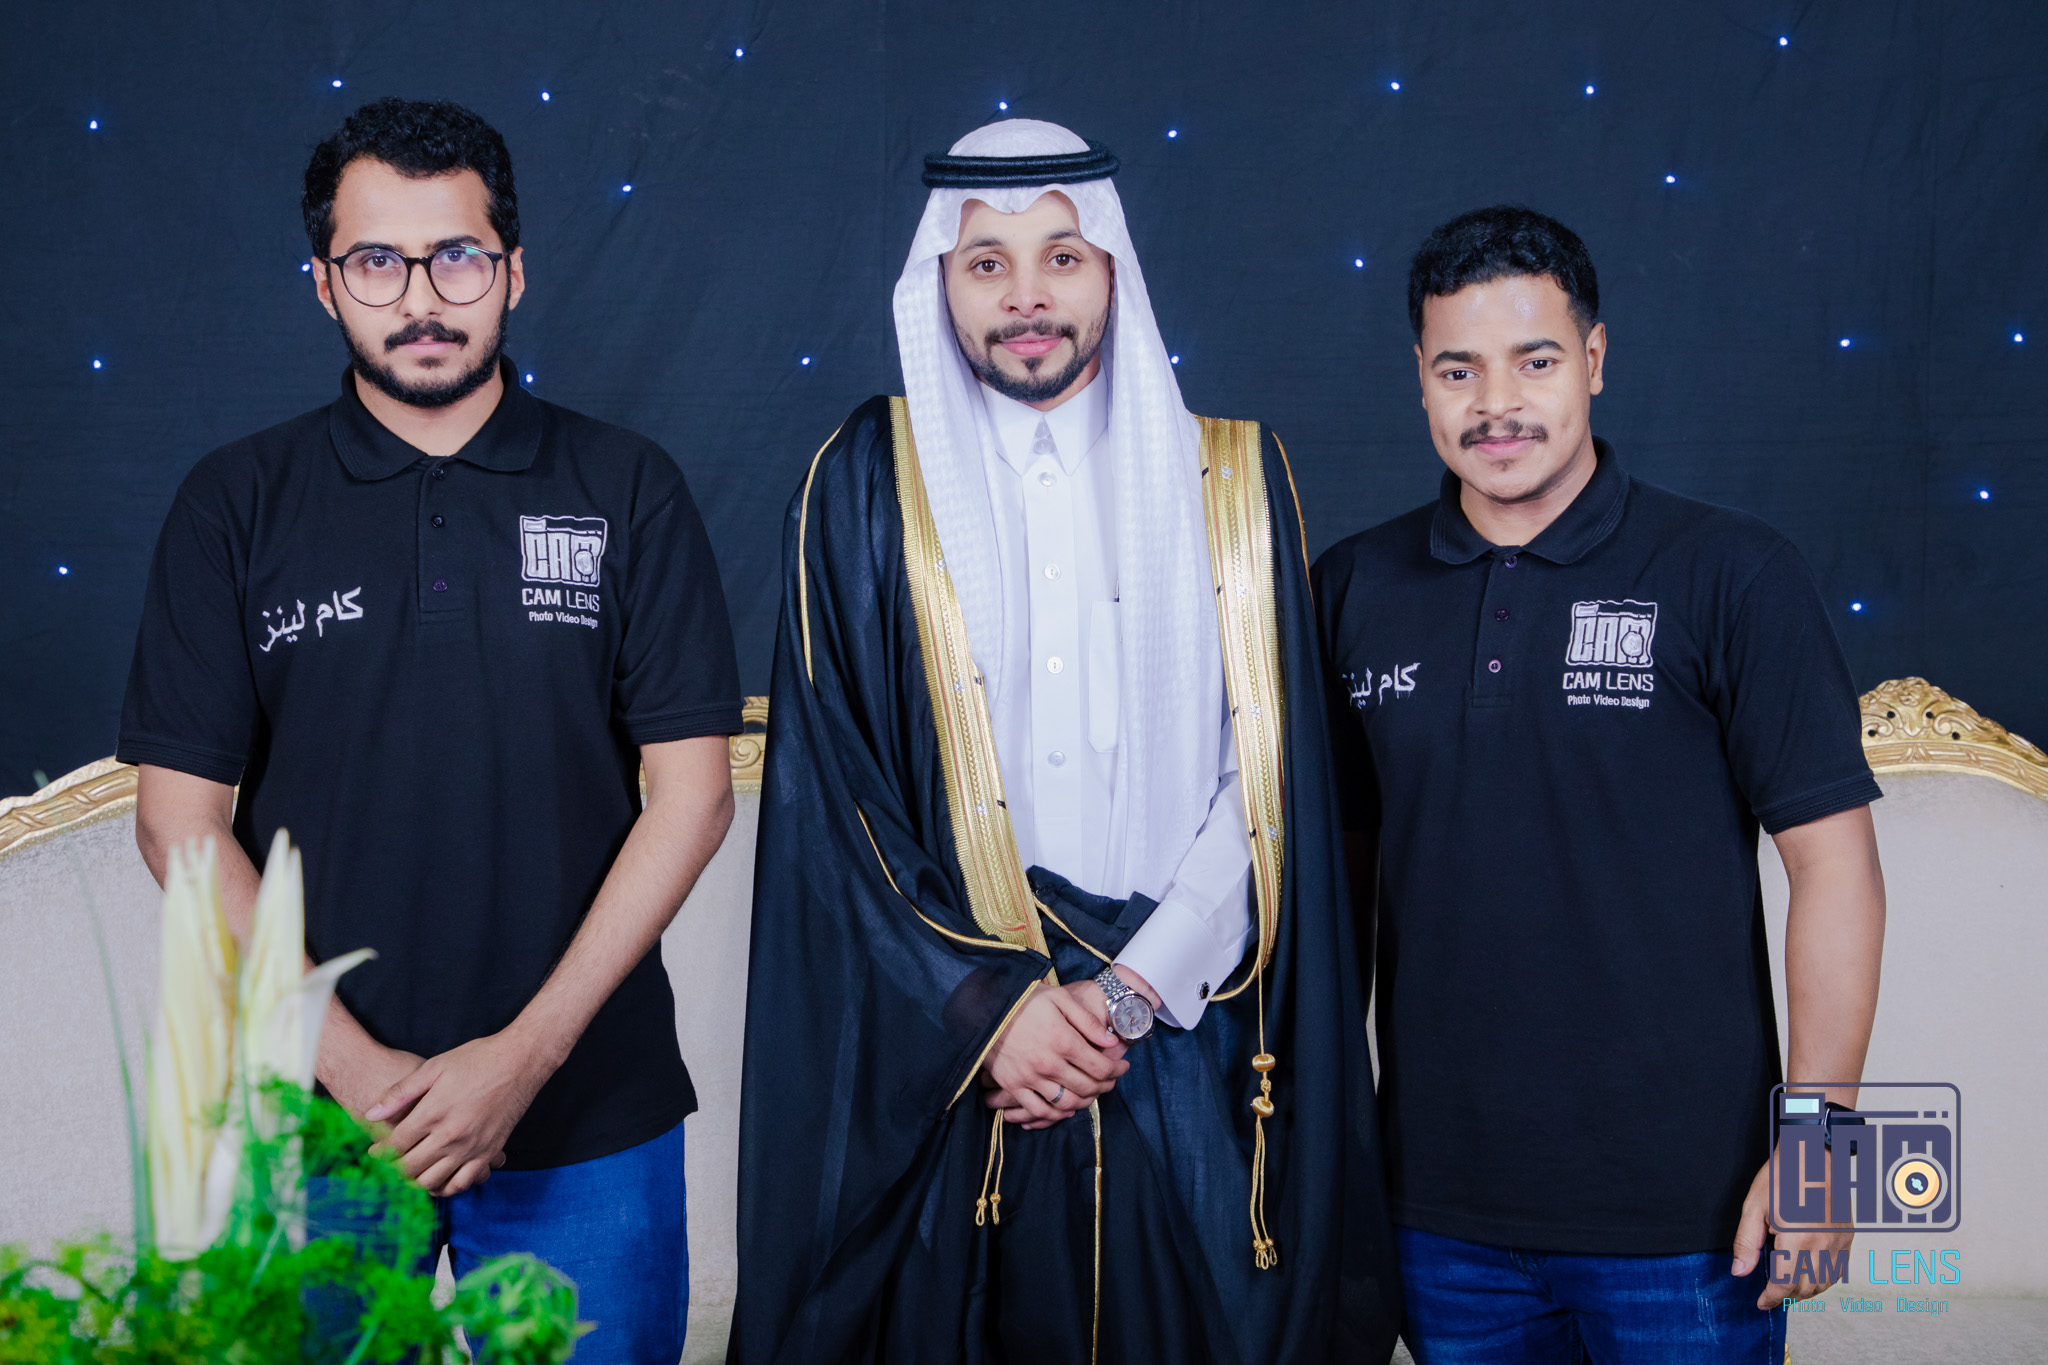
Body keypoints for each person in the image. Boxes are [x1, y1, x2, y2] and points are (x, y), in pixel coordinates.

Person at [731, 119, 1400, 1364]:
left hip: (1183, 1034)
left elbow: (1266, 784)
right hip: (952, 1052)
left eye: (1060, 257)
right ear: (939, 281)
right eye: (986, 264)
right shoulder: (864, 483)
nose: (1026, 296)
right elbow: (835, 792)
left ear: (1112, 272)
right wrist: (989, 1011)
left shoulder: (1231, 480)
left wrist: (1129, 993)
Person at [116, 97, 740, 1364]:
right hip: (316, 1129)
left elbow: (693, 798)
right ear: (323, 283)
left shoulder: (628, 486)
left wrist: (522, 1060)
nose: (420, 298)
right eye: (376, 262)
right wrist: (355, 1074)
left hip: (588, 1111)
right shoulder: (235, 502)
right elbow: (179, 827)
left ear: (513, 269)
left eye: (457, 256)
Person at [1314, 205, 1888, 1362]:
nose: (1494, 404)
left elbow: (1834, 870)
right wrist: (1330, 1159)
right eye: (1456, 370)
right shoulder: (1352, 587)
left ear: (1592, 358)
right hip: (1438, 1218)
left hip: (1688, 1219)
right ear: (1418, 379)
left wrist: (1821, 1150)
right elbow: (1333, 901)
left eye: (1532, 361)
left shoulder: (1730, 572)